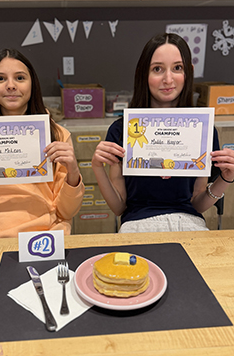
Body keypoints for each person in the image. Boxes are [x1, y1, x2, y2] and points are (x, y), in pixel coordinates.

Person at [92, 33, 234, 233]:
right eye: (157, 69)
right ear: (143, 73)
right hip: (136, 225)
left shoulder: (202, 131)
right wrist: (97, 168)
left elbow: (197, 205)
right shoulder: (122, 130)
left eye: (177, 68)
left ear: (188, 72)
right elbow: (119, 207)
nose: (168, 79)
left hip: (189, 225)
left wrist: (226, 178)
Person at [0, 48, 84, 249]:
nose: (11, 86)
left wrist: (73, 172)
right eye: (1, 79)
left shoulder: (57, 136)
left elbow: (66, 211)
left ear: (32, 84)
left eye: (20, 78)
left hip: (44, 238)